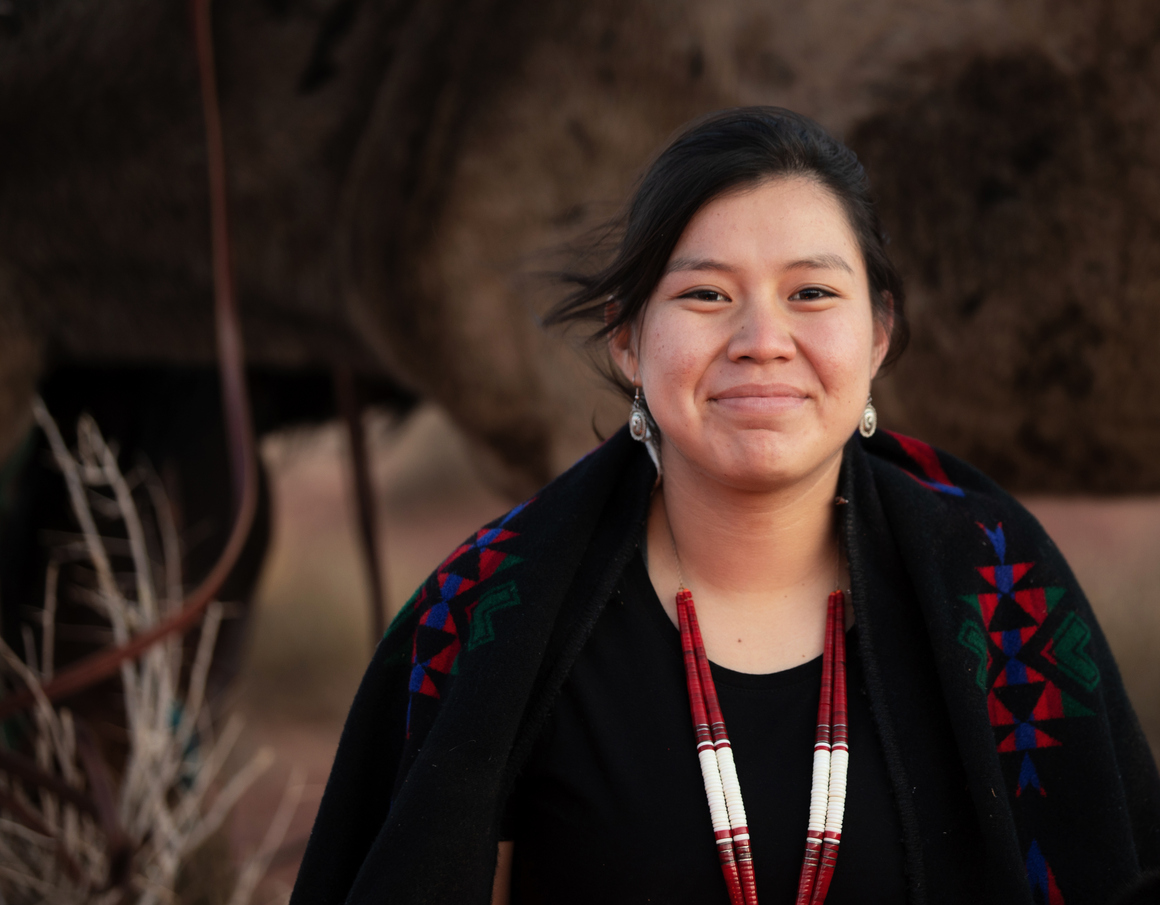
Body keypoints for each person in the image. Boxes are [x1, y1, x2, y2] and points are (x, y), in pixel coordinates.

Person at [290, 108, 1160, 905]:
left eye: (812, 293)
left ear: (880, 334)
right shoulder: (489, 624)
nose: (762, 342)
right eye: (706, 295)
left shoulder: (1001, 596)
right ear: (628, 339)